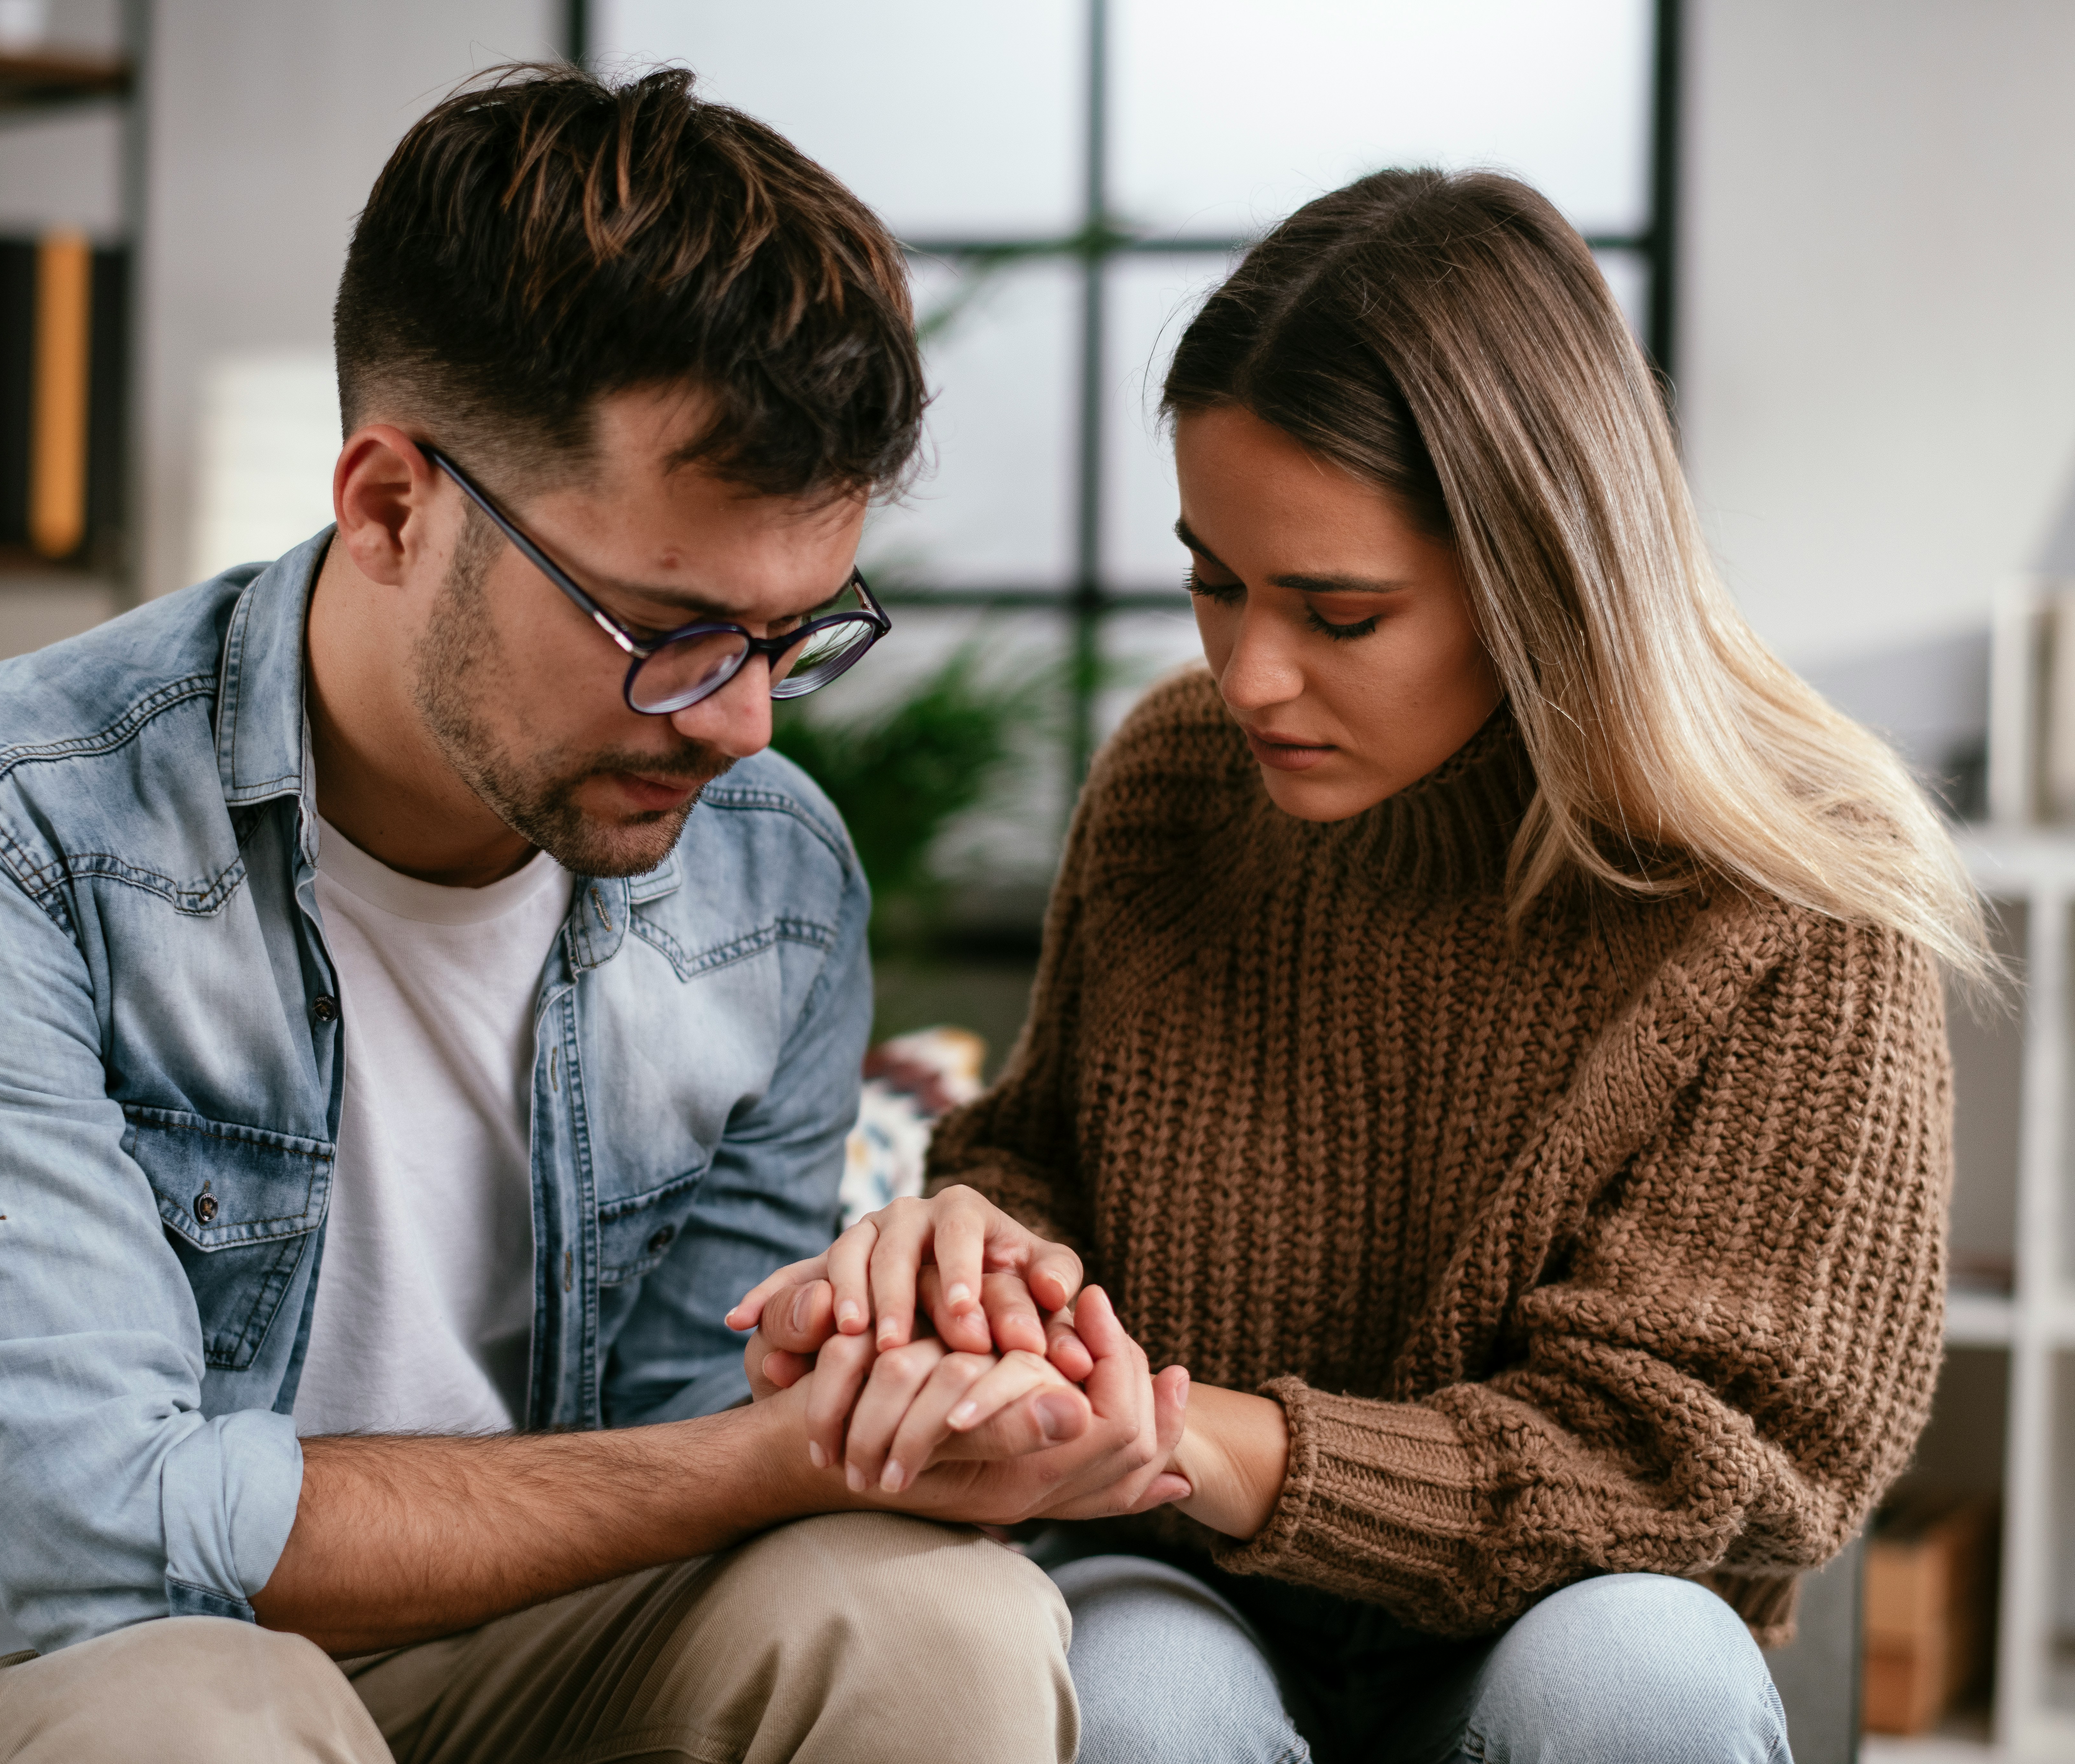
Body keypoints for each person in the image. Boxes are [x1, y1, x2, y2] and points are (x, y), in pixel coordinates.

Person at [0, 64, 1193, 1764]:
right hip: (60, 1696)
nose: (742, 724)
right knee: (212, 1711)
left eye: (793, 638)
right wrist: (766, 1457)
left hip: (524, 1662)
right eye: (673, 627)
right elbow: (114, 1533)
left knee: (936, 1619)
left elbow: (694, 1434)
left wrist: (912, 1405)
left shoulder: (770, 877)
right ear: (391, 505)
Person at [739, 167, 1978, 1761]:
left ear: (1541, 580)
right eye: (1215, 578)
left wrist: (1190, 1435)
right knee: (1130, 1701)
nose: (1251, 674)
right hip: (1180, 1582)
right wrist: (987, 1252)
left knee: (1632, 1684)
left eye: (1340, 610)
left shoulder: (1793, 900)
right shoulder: (1179, 782)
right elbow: (1048, 1157)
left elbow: (1687, 1469)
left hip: (1571, 1606)